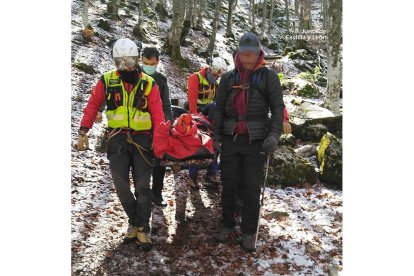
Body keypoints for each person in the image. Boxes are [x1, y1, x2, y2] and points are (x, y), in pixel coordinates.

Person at [76, 38, 165, 251]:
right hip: (117, 138)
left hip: (143, 140)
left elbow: (158, 115)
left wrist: (162, 145)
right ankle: (134, 221)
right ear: (116, 60)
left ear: (136, 59)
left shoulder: (148, 83)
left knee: (143, 186)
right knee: (121, 186)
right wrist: (83, 130)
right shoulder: (106, 80)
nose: (126, 65)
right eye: (121, 60)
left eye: (129, 60)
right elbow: (93, 104)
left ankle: (143, 227)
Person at [212, 32, 285, 252]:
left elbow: (277, 108)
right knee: (229, 184)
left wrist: (274, 135)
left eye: (251, 54)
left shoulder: (268, 77)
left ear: (258, 53)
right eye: (244, 54)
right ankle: (227, 223)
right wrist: (215, 136)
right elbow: (218, 110)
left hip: (257, 140)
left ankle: (249, 231)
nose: (247, 59)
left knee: (252, 188)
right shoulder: (228, 78)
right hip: (231, 138)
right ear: (238, 53)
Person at [186, 57, 227, 189]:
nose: (215, 76)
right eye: (214, 73)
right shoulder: (195, 78)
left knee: (214, 142)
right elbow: (192, 100)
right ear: (210, 68)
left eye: (218, 75)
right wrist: (194, 118)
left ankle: (212, 172)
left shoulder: (215, 84)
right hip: (196, 115)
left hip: (210, 116)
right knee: (194, 144)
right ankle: (192, 176)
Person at [141, 46, 173, 207]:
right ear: (141, 60)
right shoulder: (136, 77)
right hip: (139, 127)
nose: (149, 66)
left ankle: (157, 194)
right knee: (141, 164)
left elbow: (166, 104)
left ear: (157, 62)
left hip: (158, 126)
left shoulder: (161, 80)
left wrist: (169, 124)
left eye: (152, 64)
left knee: (159, 162)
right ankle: (142, 195)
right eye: (146, 63)